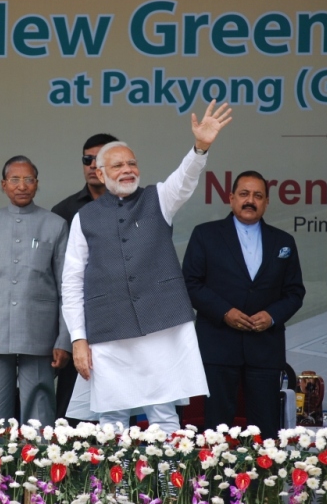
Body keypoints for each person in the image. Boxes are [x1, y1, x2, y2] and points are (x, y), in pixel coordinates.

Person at [62, 100, 232, 433]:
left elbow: (184, 179)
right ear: (99, 173)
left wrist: (200, 147)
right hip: (108, 330)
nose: (127, 170)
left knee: (164, 416)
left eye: (132, 163)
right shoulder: (84, 217)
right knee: (111, 418)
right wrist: (78, 339)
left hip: (160, 325)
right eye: (117, 165)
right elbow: (72, 281)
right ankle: (112, 487)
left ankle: (168, 486)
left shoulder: (159, 199)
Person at [182, 170, 305, 436]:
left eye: (258, 196)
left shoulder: (283, 241)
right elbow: (190, 283)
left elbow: (295, 292)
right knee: (217, 428)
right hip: (218, 344)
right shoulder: (206, 235)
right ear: (231, 198)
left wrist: (271, 316)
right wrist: (224, 312)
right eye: (244, 194)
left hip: (265, 347)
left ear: (266, 202)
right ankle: (214, 478)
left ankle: (264, 478)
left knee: (265, 429)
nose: (250, 201)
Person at [0, 156, 70, 424]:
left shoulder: (55, 224)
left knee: (39, 415)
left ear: (37, 184)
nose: (21, 186)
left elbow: (66, 286)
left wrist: (64, 339)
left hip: (40, 333)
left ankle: (39, 466)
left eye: (28, 179)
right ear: (3, 184)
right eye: (15, 179)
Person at [51, 132, 117, 422]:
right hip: (78, 325)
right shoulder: (63, 211)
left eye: (99, 159)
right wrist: (65, 337)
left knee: (120, 409)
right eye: (87, 159)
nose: (92, 165)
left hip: (121, 321)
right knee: (71, 413)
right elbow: (58, 280)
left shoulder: (137, 206)